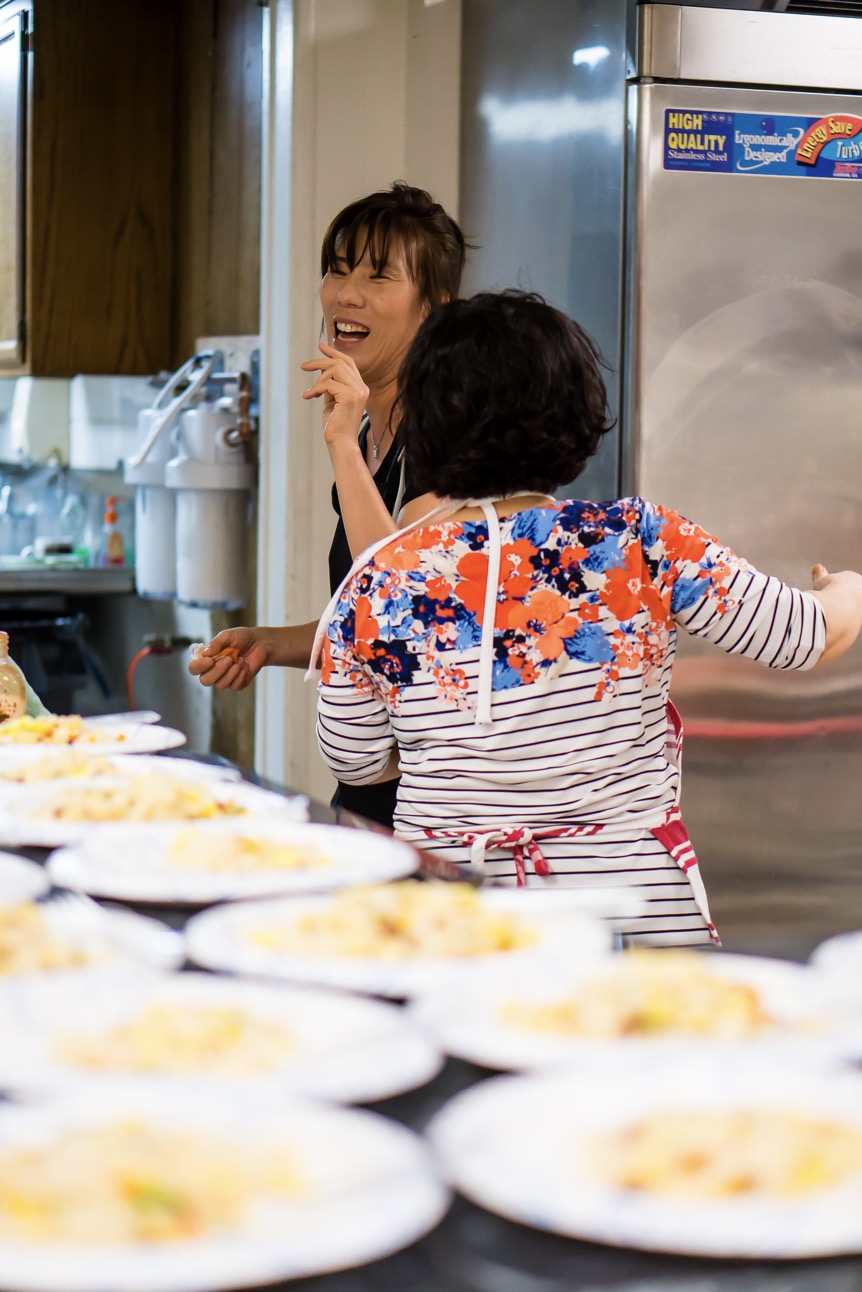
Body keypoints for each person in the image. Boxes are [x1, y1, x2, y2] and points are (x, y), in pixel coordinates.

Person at [314, 290, 862, 946]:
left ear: (426, 422)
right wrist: (848, 589)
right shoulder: (639, 540)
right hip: (629, 923)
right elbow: (807, 636)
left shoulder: (377, 578)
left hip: (454, 928)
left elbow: (355, 758)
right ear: (574, 415)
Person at [188, 182, 467, 825]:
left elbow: (404, 609)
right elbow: (363, 622)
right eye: (338, 270)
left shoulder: (446, 437)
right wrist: (270, 644)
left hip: (430, 799)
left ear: (434, 308)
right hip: (369, 784)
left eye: (378, 275)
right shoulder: (368, 430)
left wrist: (341, 442)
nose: (346, 294)